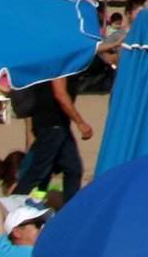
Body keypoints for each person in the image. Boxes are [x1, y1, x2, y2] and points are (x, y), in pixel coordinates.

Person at [9, 75, 88, 203]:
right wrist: (80, 122)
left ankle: (69, 212)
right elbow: (60, 94)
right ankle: (11, 206)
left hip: (58, 125)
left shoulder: (64, 62)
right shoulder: (61, 62)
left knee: (73, 168)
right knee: (39, 171)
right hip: (51, 124)